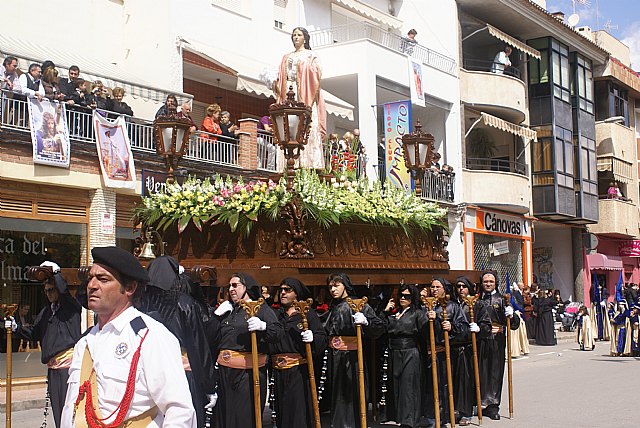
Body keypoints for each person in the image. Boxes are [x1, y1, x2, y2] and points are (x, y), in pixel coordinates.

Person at [61, 246, 196, 427]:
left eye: (103, 279)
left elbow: (180, 411)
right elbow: (72, 407)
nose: (92, 285)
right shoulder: (85, 343)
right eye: (90, 278)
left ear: (130, 288)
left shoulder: (150, 336)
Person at [139, 255, 217, 427]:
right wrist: (209, 385)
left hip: (149, 373)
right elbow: (198, 346)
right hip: (182, 374)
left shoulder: (141, 304)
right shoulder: (186, 304)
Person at [212, 272, 283, 427]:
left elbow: (278, 332)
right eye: (229, 286)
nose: (231, 289)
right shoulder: (229, 310)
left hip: (247, 375)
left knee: (242, 417)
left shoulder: (260, 308)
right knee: (225, 416)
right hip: (225, 374)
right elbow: (212, 337)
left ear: (246, 287)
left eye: (235, 285)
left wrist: (263, 326)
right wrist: (216, 316)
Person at [18, 261, 82, 428]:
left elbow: (64, 290)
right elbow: (34, 333)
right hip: (53, 370)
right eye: (46, 291)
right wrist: (16, 327)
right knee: (58, 414)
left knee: (69, 414)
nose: (49, 294)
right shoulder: (46, 312)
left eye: (52, 290)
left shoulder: (70, 308)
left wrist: (54, 273)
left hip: (67, 369)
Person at [323, 273, 384, 428]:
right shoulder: (333, 305)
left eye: (336, 285)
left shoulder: (358, 304)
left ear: (345, 285)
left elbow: (378, 327)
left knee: (350, 393)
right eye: (330, 286)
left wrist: (366, 321)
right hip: (334, 356)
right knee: (337, 395)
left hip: (351, 358)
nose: (333, 289)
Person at [270, 277, 327, 428]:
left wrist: (313, 338)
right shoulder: (276, 315)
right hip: (278, 372)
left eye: (287, 290)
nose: (282, 293)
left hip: (298, 372)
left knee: (297, 412)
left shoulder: (307, 315)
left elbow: (322, 338)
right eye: (281, 289)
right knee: (282, 412)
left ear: (297, 293)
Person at [276, 26, 326, 169]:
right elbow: (281, 75)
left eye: (298, 35)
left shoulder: (311, 55)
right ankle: (289, 161)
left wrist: (301, 68)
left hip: (304, 92)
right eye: (294, 35)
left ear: (305, 37)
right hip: (288, 91)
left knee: (305, 123)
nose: (296, 37)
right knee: (287, 125)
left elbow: (317, 72)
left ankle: (308, 161)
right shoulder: (286, 56)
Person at [423, 277, 468, 427]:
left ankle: (442, 417)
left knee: (443, 386)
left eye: (437, 287)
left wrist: (451, 326)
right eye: (432, 287)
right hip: (426, 353)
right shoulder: (425, 306)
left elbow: (463, 327)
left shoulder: (452, 307)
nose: (434, 289)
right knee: (428, 387)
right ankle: (430, 417)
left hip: (445, 353)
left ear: (444, 289)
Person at [381, 284, 427, 428]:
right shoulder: (393, 313)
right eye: (401, 295)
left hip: (410, 352)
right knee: (395, 385)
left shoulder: (418, 313)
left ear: (412, 298)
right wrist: (385, 311)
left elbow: (425, 332)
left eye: (406, 296)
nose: (402, 298)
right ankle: (398, 417)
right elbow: (380, 327)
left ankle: (410, 421)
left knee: (408, 385)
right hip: (394, 352)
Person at [478, 271, 519, 421]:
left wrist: (511, 315)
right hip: (481, 340)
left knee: (495, 372)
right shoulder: (477, 299)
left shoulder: (502, 300)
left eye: (491, 281)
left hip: (496, 340)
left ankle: (493, 405)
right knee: (481, 371)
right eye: (485, 281)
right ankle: (481, 403)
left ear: (496, 283)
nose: (488, 284)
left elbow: (514, 325)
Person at [451, 276, 491, 426]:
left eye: (464, 286)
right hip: (454, 346)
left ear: (469, 288)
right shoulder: (452, 304)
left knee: (466, 381)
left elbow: (486, 326)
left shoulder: (478, 304)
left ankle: (466, 411)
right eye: (458, 286)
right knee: (454, 380)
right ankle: (454, 409)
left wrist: (479, 328)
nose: (461, 289)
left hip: (469, 348)